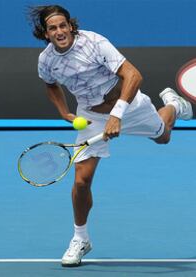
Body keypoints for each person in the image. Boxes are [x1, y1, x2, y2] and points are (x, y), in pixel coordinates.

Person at [28, 5, 193, 267]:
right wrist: (63, 112)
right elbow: (50, 85)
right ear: (45, 34)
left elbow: (133, 75)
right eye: (52, 28)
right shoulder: (46, 60)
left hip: (130, 106)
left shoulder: (94, 42)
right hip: (92, 117)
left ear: (70, 26)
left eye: (62, 25)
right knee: (82, 180)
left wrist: (117, 115)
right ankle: (80, 238)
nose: (59, 31)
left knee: (163, 137)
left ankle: (173, 105)